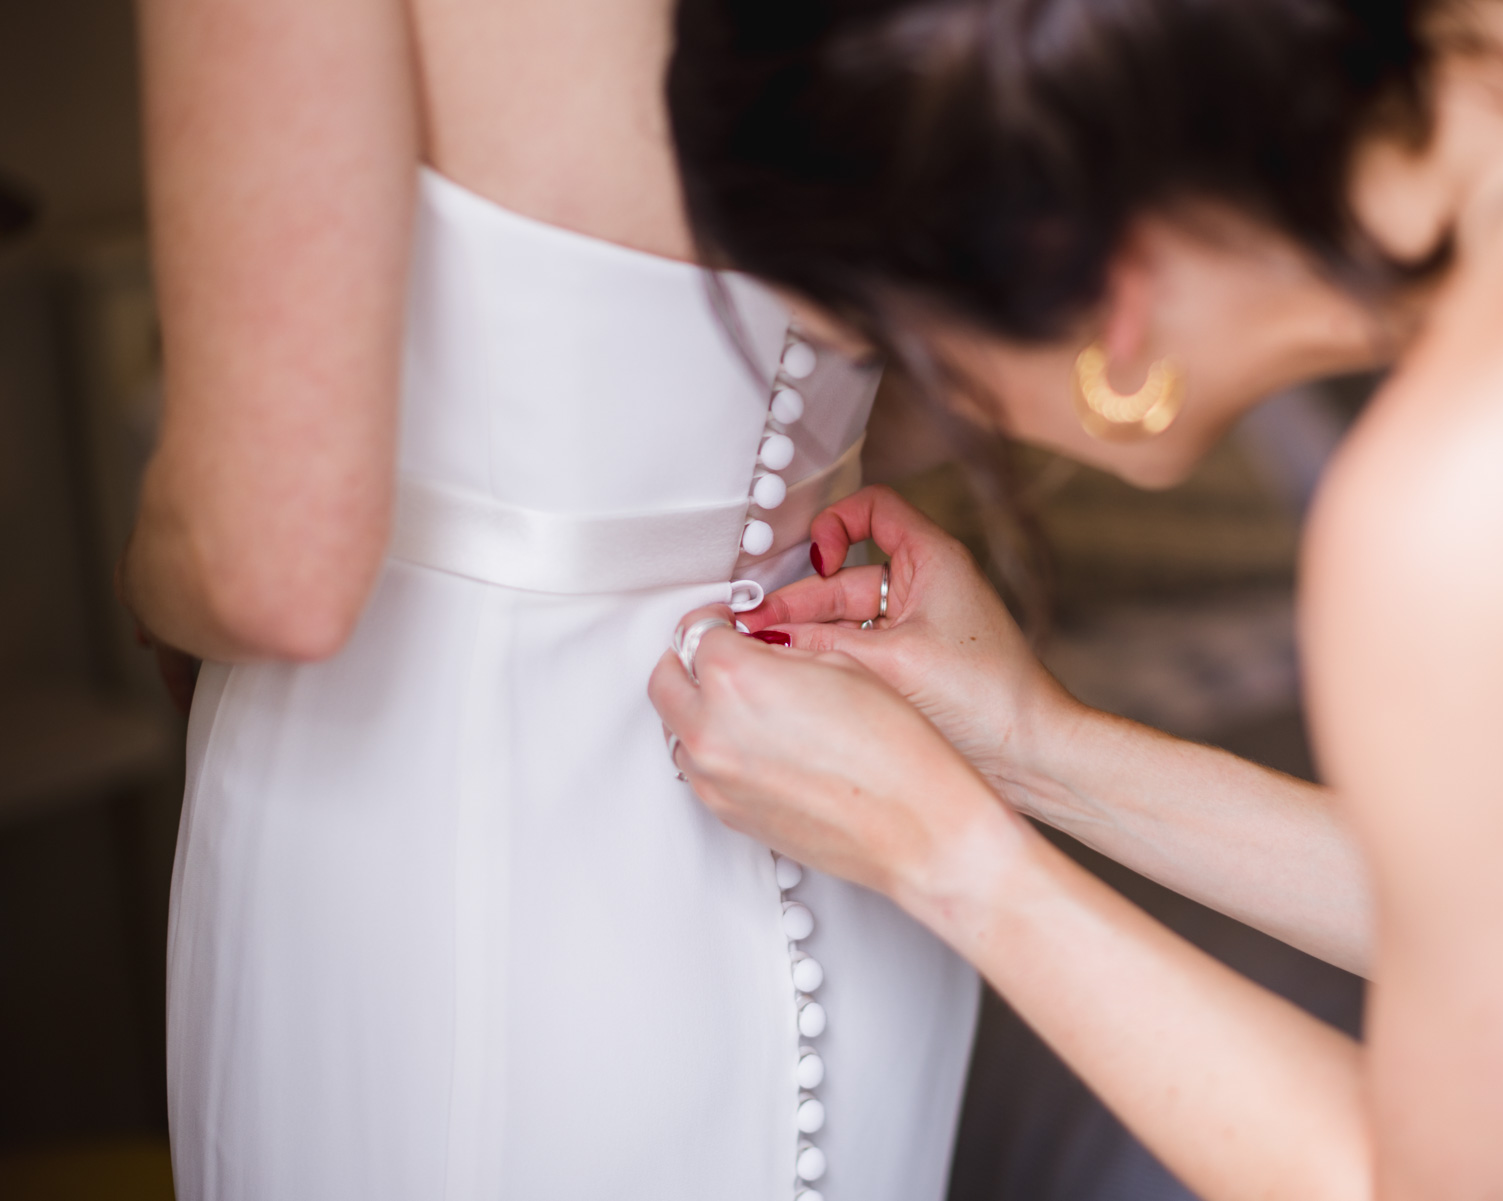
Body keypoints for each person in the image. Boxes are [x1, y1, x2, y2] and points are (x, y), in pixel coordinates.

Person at [649, 0, 1503, 1198]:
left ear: (1109, 309)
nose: (953, 421)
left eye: (918, 362)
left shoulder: (1477, 492)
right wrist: (1033, 745)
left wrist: (947, 856)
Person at [119, 1, 977, 1197]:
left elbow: (267, 573)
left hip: (447, 855)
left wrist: (156, 574)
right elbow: (968, 374)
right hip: (860, 813)